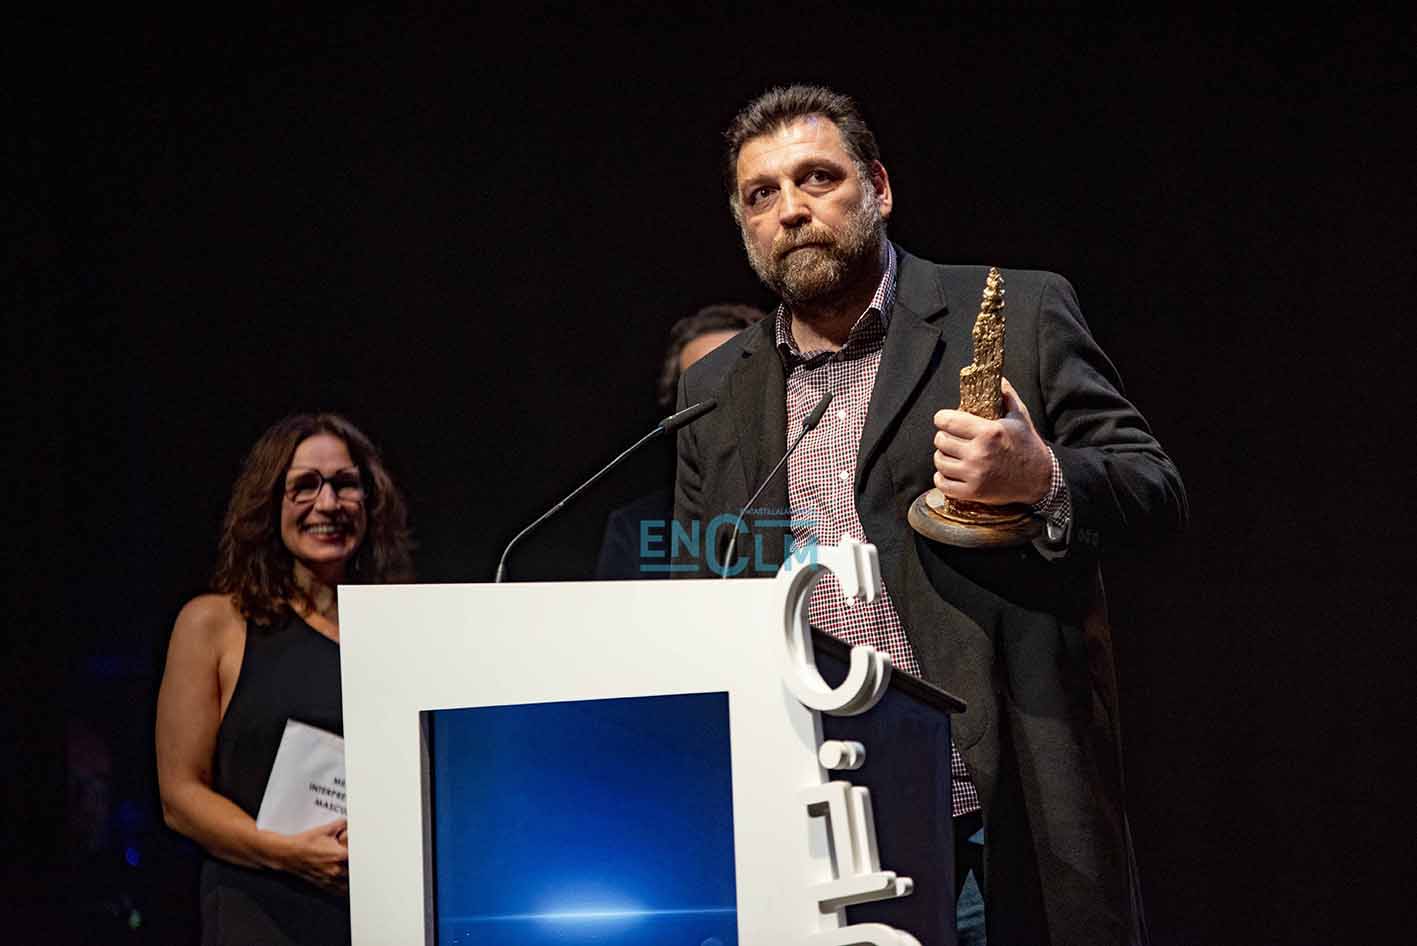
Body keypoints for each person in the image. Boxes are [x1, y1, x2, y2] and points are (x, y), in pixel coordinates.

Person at [672, 85, 1187, 946]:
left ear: (877, 187)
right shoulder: (714, 387)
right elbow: (702, 590)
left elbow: (1154, 492)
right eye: (762, 194)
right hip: (807, 813)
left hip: (993, 801)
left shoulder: (1016, 309)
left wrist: (1041, 476)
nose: (791, 209)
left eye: (817, 178)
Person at [156, 413, 413, 945]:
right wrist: (288, 854)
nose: (328, 503)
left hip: (385, 912)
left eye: (345, 484)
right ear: (269, 502)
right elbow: (180, 797)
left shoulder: (401, 630)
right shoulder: (214, 624)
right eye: (305, 485)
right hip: (259, 909)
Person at [595, 304, 764, 579]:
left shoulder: (815, 503)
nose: (721, 401)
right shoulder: (636, 531)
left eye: (737, 382)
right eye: (700, 387)